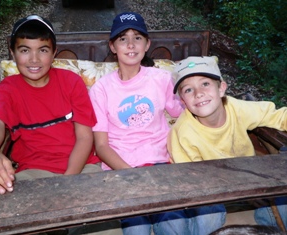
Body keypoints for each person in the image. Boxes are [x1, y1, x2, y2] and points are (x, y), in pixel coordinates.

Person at [89, 11, 224, 235]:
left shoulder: (161, 79)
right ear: (113, 46)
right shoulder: (101, 89)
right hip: (123, 169)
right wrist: (132, 175)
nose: (131, 44)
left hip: (162, 163)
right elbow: (101, 146)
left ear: (147, 44)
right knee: (136, 229)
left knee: (175, 224)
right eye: (123, 38)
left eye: (137, 38)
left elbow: (188, 114)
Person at [0, 15, 100, 196]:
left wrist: (67, 181)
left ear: (54, 53)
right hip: (33, 173)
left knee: (102, 218)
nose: (34, 59)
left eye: (42, 50)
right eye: (25, 50)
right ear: (12, 52)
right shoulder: (8, 90)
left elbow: (84, 137)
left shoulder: (71, 82)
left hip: (82, 168)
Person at [168, 55, 287, 231]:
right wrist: (241, 190)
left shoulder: (236, 108)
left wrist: (253, 189)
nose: (198, 93)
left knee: (282, 196)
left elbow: (276, 115)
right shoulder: (181, 133)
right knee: (209, 213)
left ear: (221, 88)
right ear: (183, 101)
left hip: (250, 182)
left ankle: (271, 228)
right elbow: (191, 180)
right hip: (210, 191)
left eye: (205, 84)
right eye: (188, 90)